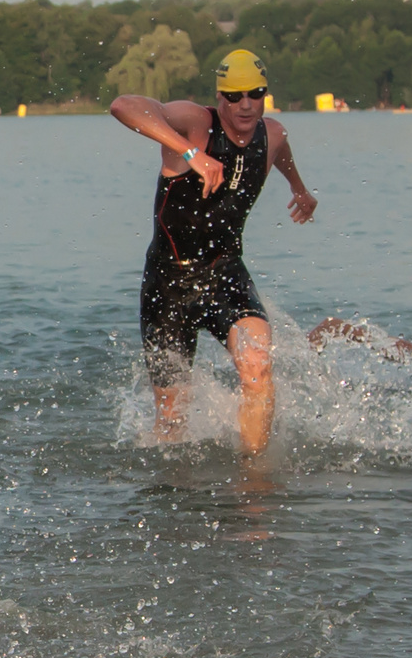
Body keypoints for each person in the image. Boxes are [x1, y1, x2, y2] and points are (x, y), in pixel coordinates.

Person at [108, 50, 316, 451]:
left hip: (225, 274)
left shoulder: (272, 134)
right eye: (234, 96)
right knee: (172, 419)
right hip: (168, 283)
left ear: (264, 94)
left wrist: (299, 189)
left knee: (258, 367)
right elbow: (123, 106)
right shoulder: (195, 124)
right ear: (220, 96)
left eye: (254, 94)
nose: (245, 104)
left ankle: (253, 485)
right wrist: (190, 153)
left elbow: (281, 155)